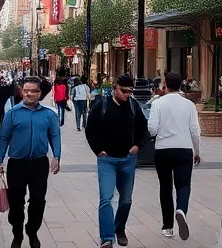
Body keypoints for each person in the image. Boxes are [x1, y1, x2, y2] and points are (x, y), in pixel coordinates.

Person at [85, 73, 150, 248]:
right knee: (106, 198)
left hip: (127, 159)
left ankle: (119, 228)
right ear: (115, 87)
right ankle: (107, 237)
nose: (126, 95)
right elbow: (90, 129)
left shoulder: (133, 106)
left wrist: (137, 146)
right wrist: (98, 150)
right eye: (123, 91)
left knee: (126, 199)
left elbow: (144, 129)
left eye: (130, 91)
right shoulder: (101, 105)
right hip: (107, 160)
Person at [0, 77, 61, 248]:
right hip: (17, 164)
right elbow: (3, 138)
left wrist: (56, 156)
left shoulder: (48, 114)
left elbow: (55, 136)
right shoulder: (13, 113)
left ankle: (32, 231)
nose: (29, 94)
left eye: (33, 91)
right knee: (16, 201)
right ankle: (17, 233)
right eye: (26, 90)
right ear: (21, 91)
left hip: (39, 164)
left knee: (38, 201)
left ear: (40, 94)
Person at [148, 71, 201, 240]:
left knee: (165, 187)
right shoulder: (189, 105)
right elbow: (195, 131)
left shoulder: (158, 104)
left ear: (165, 84)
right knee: (184, 184)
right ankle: (181, 209)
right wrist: (197, 151)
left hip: (163, 149)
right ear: (181, 85)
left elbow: (152, 129)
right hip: (184, 148)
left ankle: (167, 226)